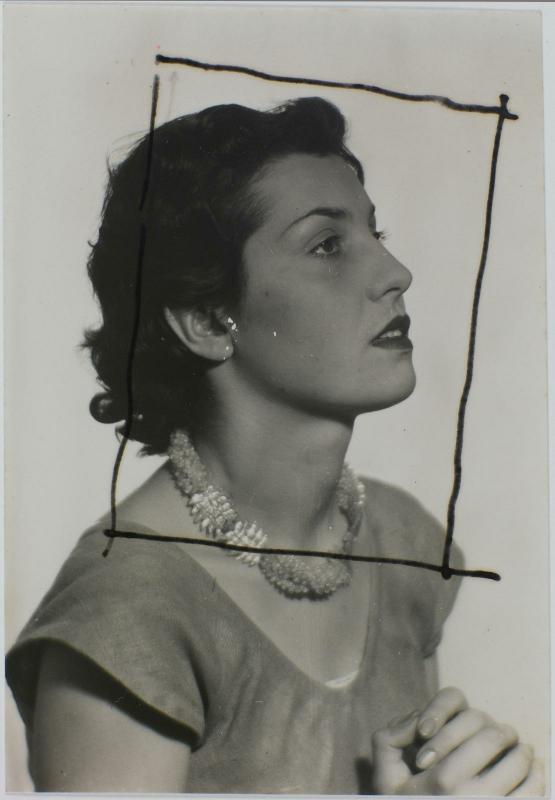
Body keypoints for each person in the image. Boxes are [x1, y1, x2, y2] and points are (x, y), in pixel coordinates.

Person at [6, 97, 543, 795]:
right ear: (207, 320)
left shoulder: (402, 542)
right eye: (327, 246)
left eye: (375, 231)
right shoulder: (125, 614)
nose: (395, 272)